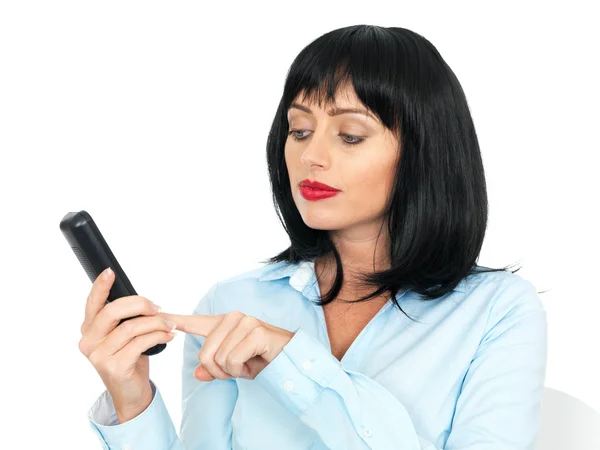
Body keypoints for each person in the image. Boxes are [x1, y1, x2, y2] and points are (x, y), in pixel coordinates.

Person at [80, 24, 548, 449]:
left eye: (349, 136)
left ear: (423, 151)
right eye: (300, 130)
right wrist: (132, 399)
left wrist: (294, 363)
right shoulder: (232, 302)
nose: (311, 156)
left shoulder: (497, 312)